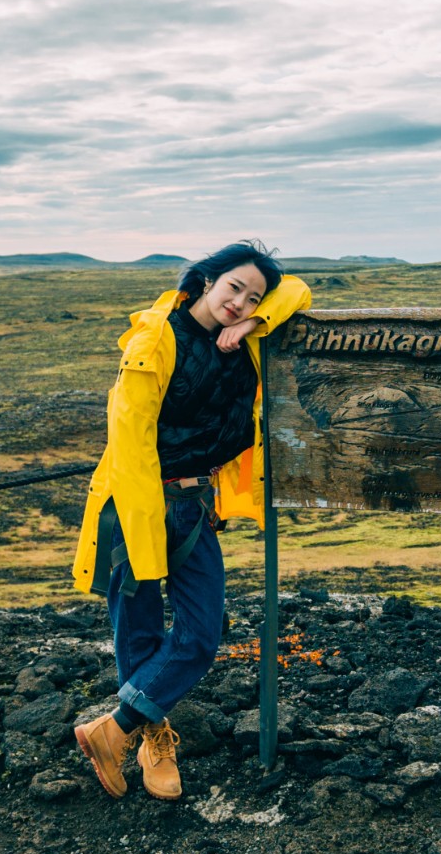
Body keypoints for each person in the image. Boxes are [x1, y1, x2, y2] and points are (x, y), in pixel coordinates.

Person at [70, 241, 310, 801]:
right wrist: (144, 542)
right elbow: (129, 447)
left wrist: (257, 321)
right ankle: (153, 742)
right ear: (206, 280)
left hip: (195, 505)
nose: (239, 301)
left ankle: (112, 731)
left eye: (252, 295)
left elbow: (297, 289)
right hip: (139, 504)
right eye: (234, 288)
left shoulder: (246, 336)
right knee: (142, 630)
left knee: (201, 636)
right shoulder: (156, 336)